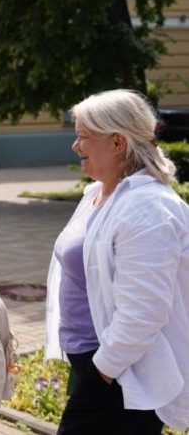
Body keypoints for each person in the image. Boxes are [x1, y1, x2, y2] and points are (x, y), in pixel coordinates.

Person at [45, 90, 189, 433]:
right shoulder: (99, 193)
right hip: (97, 364)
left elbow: (145, 311)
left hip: (122, 375)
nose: (75, 146)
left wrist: (102, 372)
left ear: (117, 143)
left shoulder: (147, 207)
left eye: (83, 136)